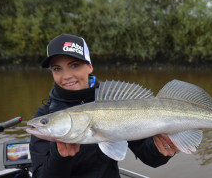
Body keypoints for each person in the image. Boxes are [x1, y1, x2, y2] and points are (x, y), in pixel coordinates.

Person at [29, 33, 179, 178]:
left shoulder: (116, 101)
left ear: (89, 66)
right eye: (57, 69)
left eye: (75, 65)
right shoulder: (44, 114)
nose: (66, 75)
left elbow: (150, 157)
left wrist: (163, 149)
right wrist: (59, 157)